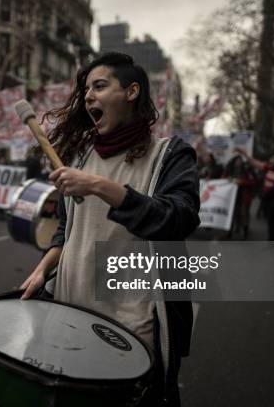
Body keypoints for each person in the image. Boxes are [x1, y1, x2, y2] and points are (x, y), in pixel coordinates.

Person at [19, 53, 200, 406]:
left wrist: (101, 186)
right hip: (72, 308)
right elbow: (68, 231)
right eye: (86, 89)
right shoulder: (81, 157)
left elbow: (179, 218)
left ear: (131, 92)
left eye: (99, 86)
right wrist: (43, 269)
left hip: (132, 323)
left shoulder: (171, 154)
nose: (87, 96)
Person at [235, 148, 274, 240]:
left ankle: (273, 238)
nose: (270, 160)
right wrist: (245, 154)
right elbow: (255, 163)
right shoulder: (268, 167)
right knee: (271, 218)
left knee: (272, 217)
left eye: (273, 158)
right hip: (268, 197)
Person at [223, 155, 257, 239]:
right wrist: (228, 179)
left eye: (240, 160)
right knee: (231, 214)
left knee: (243, 214)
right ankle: (229, 232)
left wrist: (241, 182)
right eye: (237, 161)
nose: (238, 162)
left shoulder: (246, 170)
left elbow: (252, 181)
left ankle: (245, 231)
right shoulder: (230, 169)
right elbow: (223, 178)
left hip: (243, 196)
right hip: (232, 197)